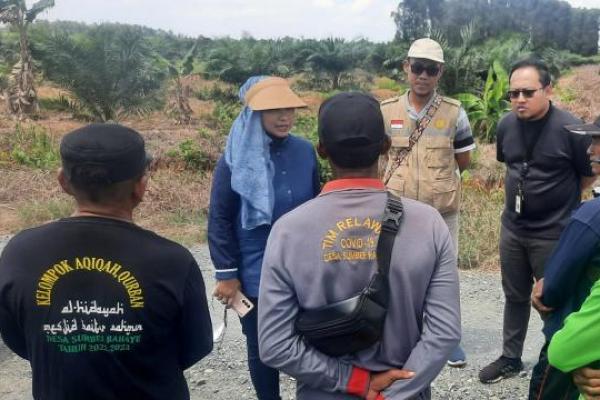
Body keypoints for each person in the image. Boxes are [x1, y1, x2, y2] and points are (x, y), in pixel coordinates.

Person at [258, 92, 461, 399]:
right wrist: (392, 393)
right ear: (385, 145)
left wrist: (357, 382)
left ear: (322, 150)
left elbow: (275, 344)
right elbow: (444, 333)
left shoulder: (287, 231)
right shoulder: (429, 224)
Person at [0, 123, 213, 400]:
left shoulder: (20, 252)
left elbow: (20, 339)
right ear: (140, 188)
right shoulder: (173, 261)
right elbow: (195, 346)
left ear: (63, 181)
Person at [479, 58, 596, 384]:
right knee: (514, 295)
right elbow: (510, 165)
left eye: (528, 92)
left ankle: (558, 362)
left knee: (553, 300)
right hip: (513, 229)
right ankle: (510, 357)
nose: (519, 99)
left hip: (555, 233)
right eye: (513, 93)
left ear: (548, 90)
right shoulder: (505, 126)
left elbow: (586, 178)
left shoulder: (571, 129)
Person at [208, 76, 320, 400]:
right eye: (274, 109)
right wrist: (227, 273)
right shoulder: (234, 159)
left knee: (309, 340)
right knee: (261, 347)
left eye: (289, 108)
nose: (284, 116)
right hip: (255, 268)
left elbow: (317, 203)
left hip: (302, 265)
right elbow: (219, 217)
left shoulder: (304, 151)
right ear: (254, 112)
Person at [380, 37, 474, 368]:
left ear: (440, 72)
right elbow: (380, 159)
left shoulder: (454, 113)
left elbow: (463, 161)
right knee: (395, 271)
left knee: (444, 275)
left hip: (441, 211)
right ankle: (403, 334)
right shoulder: (386, 110)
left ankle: (449, 339)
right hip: (397, 209)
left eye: (430, 69)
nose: (423, 75)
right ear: (406, 67)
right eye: (417, 67)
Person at [528, 115, 600, 399]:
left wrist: (543, 290)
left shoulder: (591, 217)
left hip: (574, 342)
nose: (589, 149)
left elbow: (552, 288)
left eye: (596, 141)